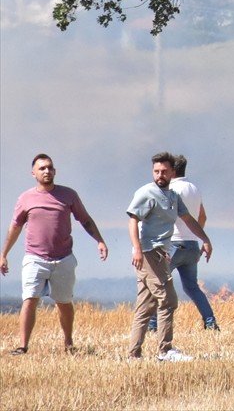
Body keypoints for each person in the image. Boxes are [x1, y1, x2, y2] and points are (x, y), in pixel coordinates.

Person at [1, 154, 108, 355]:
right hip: (34, 258)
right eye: (42, 168)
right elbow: (14, 227)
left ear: (55, 171)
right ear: (33, 173)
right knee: (30, 299)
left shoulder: (69, 195)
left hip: (63, 258)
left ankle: (68, 344)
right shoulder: (25, 198)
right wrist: (4, 254)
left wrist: (100, 241)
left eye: (50, 167)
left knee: (64, 302)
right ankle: (22, 346)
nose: (46, 171)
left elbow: (85, 220)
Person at [126, 151, 212, 361]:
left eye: (164, 171)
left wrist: (206, 239)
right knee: (168, 299)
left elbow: (189, 219)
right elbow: (133, 221)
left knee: (146, 305)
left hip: (162, 252)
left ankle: (134, 354)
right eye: (156, 171)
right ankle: (165, 350)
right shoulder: (146, 193)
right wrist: (136, 248)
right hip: (148, 252)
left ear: (173, 172)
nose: (159, 175)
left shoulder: (173, 196)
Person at [148, 155, 219, 332]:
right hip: (191, 244)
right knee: (192, 287)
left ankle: (152, 325)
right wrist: (196, 235)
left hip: (172, 243)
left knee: (158, 284)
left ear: (172, 169)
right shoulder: (194, 188)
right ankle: (210, 322)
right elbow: (202, 217)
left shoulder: (170, 189)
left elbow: (164, 217)